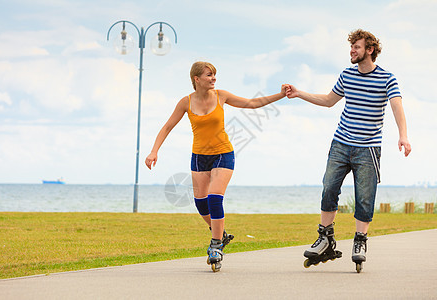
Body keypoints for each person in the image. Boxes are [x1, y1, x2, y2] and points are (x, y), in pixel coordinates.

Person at [286, 29, 411, 270]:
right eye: (351, 47)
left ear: (370, 50)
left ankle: (360, 241)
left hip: (368, 148)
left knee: (365, 197)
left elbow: (397, 107)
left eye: (357, 47)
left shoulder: (387, 78)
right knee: (328, 188)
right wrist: (299, 93)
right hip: (341, 143)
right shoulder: (346, 75)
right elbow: (328, 100)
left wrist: (403, 136)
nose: (352, 51)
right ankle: (325, 238)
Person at [145, 61, 287, 271]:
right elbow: (167, 127)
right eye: (209, 75)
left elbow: (252, 103)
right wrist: (154, 151)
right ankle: (220, 233)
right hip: (199, 157)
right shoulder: (186, 102)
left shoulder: (221, 96)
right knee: (201, 204)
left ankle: (216, 245)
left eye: (214, 75)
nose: (213, 78)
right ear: (196, 79)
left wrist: (281, 94)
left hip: (223, 154)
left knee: (214, 197)